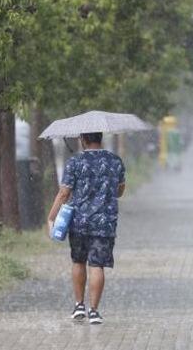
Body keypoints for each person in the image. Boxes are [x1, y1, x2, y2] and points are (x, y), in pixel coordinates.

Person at [47, 132, 126, 325]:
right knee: (97, 265)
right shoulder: (115, 161)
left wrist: (51, 217)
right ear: (100, 138)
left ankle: (78, 305)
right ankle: (94, 311)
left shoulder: (75, 162)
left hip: (79, 222)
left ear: (82, 139)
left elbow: (64, 193)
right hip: (104, 223)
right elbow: (120, 190)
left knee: (78, 261)